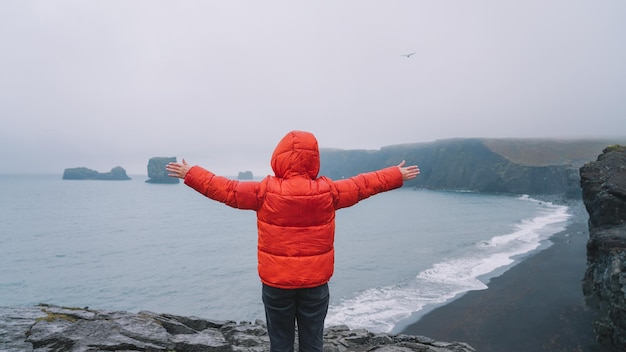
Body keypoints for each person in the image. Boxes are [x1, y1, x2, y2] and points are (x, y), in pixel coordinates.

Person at [166, 130, 419, 352]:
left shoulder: (264, 191)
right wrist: (395, 174)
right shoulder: (328, 191)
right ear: (314, 160)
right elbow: (364, 184)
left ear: (278, 158)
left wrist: (192, 173)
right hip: (315, 285)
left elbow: (225, 189)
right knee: (312, 344)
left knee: (280, 343)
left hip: (276, 285)